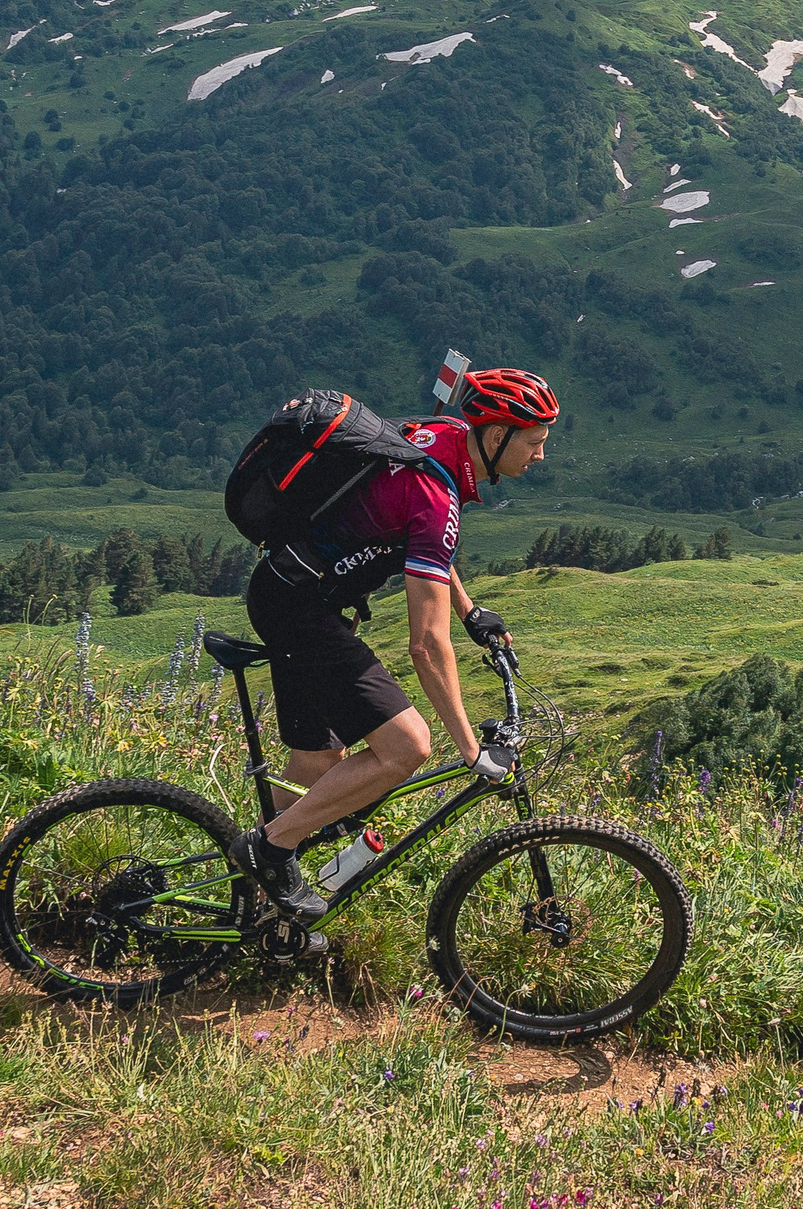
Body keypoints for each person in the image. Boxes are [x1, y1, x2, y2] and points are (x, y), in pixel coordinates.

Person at [226, 368, 559, 923]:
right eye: (535, 441)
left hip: (288, 592)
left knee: (318, 768)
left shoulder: (436, 438)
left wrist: (471, 611)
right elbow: (427, 646)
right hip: (300, 610)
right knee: (408, 748)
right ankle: (267, 851)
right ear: (497, 435)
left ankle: (249, 914)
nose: (541, 455)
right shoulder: (436, 493)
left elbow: (423, 541)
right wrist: (471, 749)